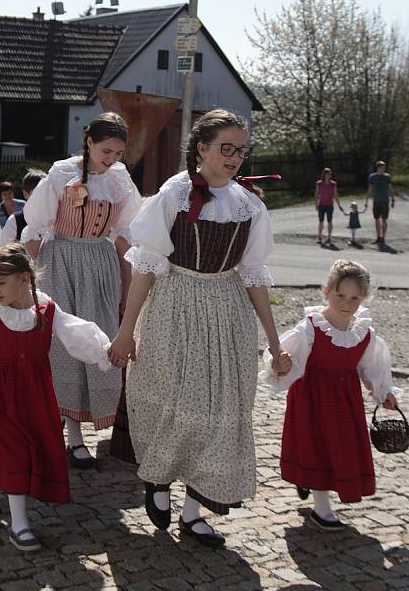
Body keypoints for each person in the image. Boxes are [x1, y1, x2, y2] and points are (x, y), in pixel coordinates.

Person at [108, 108, 291, 547]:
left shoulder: (249, 206)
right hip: (175, 305)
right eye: (225, 149)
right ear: (202, 148)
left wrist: (274, 341)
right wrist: (126, 330)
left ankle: (193, 513)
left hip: (226, 314)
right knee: (171, 401)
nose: (234, 159)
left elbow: (253, 276)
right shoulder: (173, 195)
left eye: (240, 151)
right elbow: (147, 266)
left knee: (221, 413)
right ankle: (157, 477)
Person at [0, 244, 113, 551]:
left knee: (19, 448)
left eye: (1, 282)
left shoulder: (47, 312)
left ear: (25, 279)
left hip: (36, 393)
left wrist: (105, 351)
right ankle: (19, 525)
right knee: (14, 449)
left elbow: (76, 332)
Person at [24, 112, 142, 467]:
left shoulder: (119, 180)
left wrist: (129, 284)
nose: (112, 159)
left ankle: (77, 426)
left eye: (119, 153)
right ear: (89, 142)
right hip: (61, 263)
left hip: (100, 265)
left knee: (95, 344)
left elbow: (125, 236)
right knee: (61, 346)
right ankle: (66, 432)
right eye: (107, 151)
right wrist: (26, 281)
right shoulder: (62, 174)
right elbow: (35, 227)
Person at [259, 259, 400, 531]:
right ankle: (322, 508)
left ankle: (310, 481)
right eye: (340, 295)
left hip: (345, 399)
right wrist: (280, 363)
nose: (346, 304)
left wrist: (384, 392)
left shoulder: (363, 332)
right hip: (311, 397)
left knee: (339, 445)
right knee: (316, 445)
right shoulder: (311, 327)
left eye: (354, 298)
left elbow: (373, 365)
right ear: (326, 292)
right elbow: (284, 356)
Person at [0, 169, 47, 249]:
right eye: (37, 192)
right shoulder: (15, 221)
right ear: (25, 194)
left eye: (46, 192)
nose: (43, 197)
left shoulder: (56, 219)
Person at [365, 160, 394, 244]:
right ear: (378, 168)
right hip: (376, 201)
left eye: (384, 167)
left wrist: (393, 199)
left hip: (385, 201)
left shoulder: (387, 177)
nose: (384, 169)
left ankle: (383, 237)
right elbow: (370, 189)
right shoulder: (372, 177)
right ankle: (378, 237)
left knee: (384, 220)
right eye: (382, 167)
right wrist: (367, 200)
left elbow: (390, 188)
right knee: (376, 219)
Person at [315, 167, 343, 246]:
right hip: (321, 204)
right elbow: (317, 194)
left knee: (329, 221)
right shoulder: (319, 183)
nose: (329, 176)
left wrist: (339, 205)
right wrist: (316, 204)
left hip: (329, 205)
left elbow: (336, 195)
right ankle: (319, 236)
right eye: (328, 174)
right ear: (324, 175)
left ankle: (329, 237)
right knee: (321, 221)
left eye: (330, 174)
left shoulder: (333, 184)